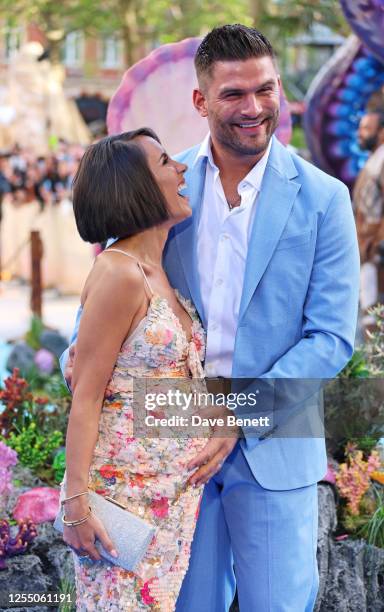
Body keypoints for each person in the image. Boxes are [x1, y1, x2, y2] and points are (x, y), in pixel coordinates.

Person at [62, 25, 360, 611]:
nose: (254, 108)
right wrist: (82, 351)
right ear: (200, 101)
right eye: (233, 94)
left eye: (266, 89)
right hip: (166, 458)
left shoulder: (326, 199)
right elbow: (115, 276)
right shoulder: (165, 189)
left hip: (273, 450)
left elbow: (330, 338)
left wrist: (236, 411)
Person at [59, 127, 236, 611]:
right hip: (121, 504)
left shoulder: (160, 272)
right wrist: (75, 504)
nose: (181, 169)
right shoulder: (118, 272)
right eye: (164, 164)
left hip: (171, 501)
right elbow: (87, 397)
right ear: (133, 187)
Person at [354, 109, 384, 331]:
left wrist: (376, 245)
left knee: (375, 322)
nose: (359, 133)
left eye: (366, 128)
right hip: (368, 254)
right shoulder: (375, 159)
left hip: (377, 255)